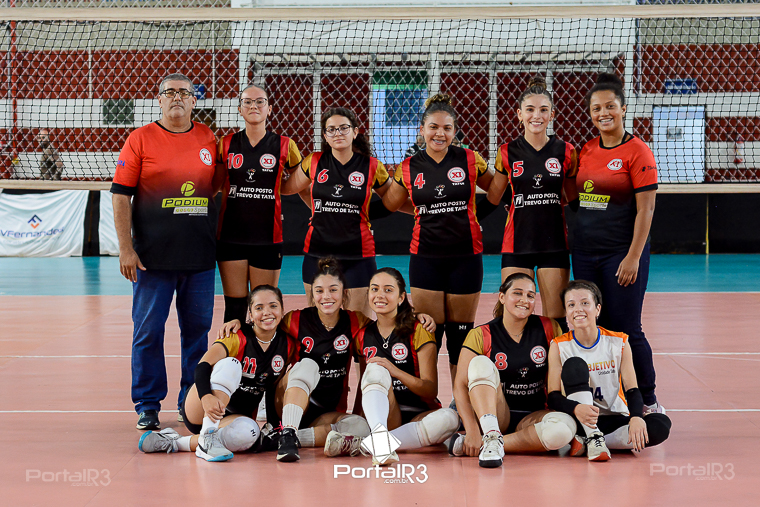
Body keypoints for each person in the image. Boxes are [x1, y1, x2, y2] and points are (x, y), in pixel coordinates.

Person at [111, 72, 224, 430]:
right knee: (148, 333)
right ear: (159, 99)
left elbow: (216, 189)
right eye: (169, 92)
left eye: (184, 93)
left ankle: (190, 403)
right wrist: (126, 248)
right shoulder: (140, 138)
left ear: (194, 100)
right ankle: (147, 405)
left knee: (197, 335)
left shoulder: (208, 138)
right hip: (151, 260)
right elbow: (120, 195)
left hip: (199, 258)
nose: (177, 97)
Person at [381, 93, 495, 382]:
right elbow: (390, 203)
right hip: (426, 258)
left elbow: (496, 190)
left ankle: (459, 401)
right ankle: (427, 397)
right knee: (429, 333)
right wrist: (422, 210)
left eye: (446, 128)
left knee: (460, 336)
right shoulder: (408, 167)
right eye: (433, 127)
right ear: (422, 129)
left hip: (466, 257)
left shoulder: (470, 159)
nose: (439, 134)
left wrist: (475, 214)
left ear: (454, 131)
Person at [568, 73, 662, 413]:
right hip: (585, 254)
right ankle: (607, 401)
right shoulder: (587, 150)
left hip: (620, 254)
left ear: (623, 109)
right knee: (593, 329)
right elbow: (574, 197)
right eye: (596, 108)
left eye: (610, 106)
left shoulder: (638, 151)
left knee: (627, 328)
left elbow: (646, 209)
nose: (603, 113)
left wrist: (633, 256)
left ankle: (648, 400)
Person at [137, 285, 297, 461]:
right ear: (250, 315)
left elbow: (273, 388)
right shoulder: (236, 336)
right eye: (259, 308)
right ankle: (208, 434)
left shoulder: (287, 346)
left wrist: (275, 426)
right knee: (231, 364)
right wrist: (206, 397)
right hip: (201, 406)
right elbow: (203, 366)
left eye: (273, 306)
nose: (267, 312)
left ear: (282, 310)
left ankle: (175, 442)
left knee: (250, 433)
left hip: (233, 415)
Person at [327, 267, 459, 464]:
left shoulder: (419, 329)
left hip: (420, 414)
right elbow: (366, 385)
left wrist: (395, 371)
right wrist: (357, 420)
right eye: (374, 289)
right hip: (386, 415)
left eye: (388, 290)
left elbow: (430, 390)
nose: (380, 295)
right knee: (375, 368)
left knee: (450, 418)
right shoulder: (363, 335)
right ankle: (380, 439)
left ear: (401, 297)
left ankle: (370, 444)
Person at [447, 273, 575, 468]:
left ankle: (492, 443)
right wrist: (472, 430)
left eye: (530, 295)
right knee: (480, 364)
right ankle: (491, 433)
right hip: (497, 413)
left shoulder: (549, 327)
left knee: (564, 429)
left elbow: (562, 376)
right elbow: (460, 386)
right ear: (502, 297)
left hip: (534, 415)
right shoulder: (481, 334)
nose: (524, 300)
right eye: (517, 293)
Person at [281, 107, 391, 315]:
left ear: (355, 132)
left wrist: (425, 208)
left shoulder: (372, 166)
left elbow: (393, 201)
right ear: (325, 135)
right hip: (317, 253)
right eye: (331, 129)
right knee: (318, 324)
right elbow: (288, 188)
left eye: (343, 128)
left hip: (358, 256)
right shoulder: (314, 161)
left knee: (358, 324)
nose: (337, 133)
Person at [546, 280, 671, 461]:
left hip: (614, 418)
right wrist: (576, 408)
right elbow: (553, 396)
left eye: (585, 303)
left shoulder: (618, 342)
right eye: (571, 305)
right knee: (575, 365)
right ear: (566, 312)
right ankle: (592, 435)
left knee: (661, 425)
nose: (578, 309)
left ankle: (591, 442)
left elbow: (632, 389)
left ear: (597, 309)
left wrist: (636, 417)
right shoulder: (559, 345)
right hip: (579, 418)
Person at [488, 76, 578, 323]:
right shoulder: (507, 152)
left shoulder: (566, 151)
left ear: (552, 114)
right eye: (529, 109)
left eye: (543, 110)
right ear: (519, 114)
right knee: (514, 315)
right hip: (517, 243)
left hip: (554, 244)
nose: (536, 116)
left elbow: (573, 199)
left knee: (556, 320)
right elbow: (494, 196)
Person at [216, 83, 302, 323]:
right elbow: (215, 184)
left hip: (268, 238)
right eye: (247, 102)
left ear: (269, 108)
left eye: (259, 101)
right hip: (231, 237)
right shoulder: (225, 144)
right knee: (234, 307)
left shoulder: (285, 145)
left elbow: (300, 184)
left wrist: (317, 210)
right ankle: (231, 350)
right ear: (240, 109)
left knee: (264, 308)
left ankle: (265, 350)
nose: (253, 106)